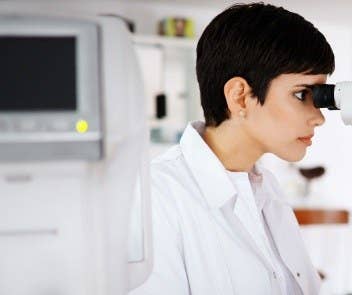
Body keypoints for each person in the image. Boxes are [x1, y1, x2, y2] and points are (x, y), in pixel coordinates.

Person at [130, 3, 334, 295]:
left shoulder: (268, 190)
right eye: (302, 94)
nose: (319, 117)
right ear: (240, 96)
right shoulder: (154, 197)